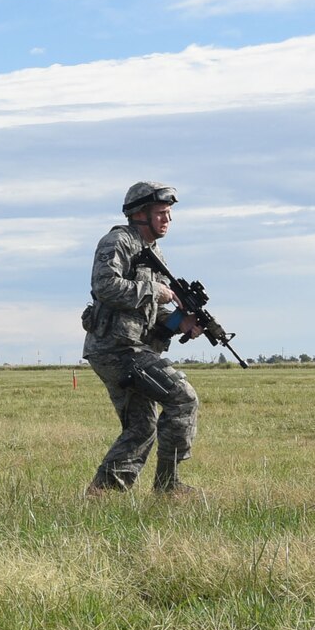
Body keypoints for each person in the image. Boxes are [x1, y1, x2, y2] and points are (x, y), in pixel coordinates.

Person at [81, 181, 202, 496]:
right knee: (183, 398)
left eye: (169, 214)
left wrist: (181, 323)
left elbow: (155, 315)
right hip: (117, 350)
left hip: (133, 348)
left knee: (141, 427)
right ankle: (168, 487)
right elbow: (104, 286)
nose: (167, 220)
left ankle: (103, 493)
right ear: (140, 214)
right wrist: (155, 290)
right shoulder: (117, 241)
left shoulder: (154, 253)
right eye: (161, 213)